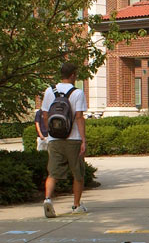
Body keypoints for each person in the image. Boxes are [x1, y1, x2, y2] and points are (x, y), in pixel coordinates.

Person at [41, 62, 88, 218]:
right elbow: (79, 117)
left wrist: (51, 132)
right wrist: (83, 140)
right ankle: (76, 205)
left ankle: (47, 199)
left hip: (54, 138)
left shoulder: (49, 91)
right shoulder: (77, 93)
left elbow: (45, 115)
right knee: (78, 173)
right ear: (73, 75)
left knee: (52, 172)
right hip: (73, 138)